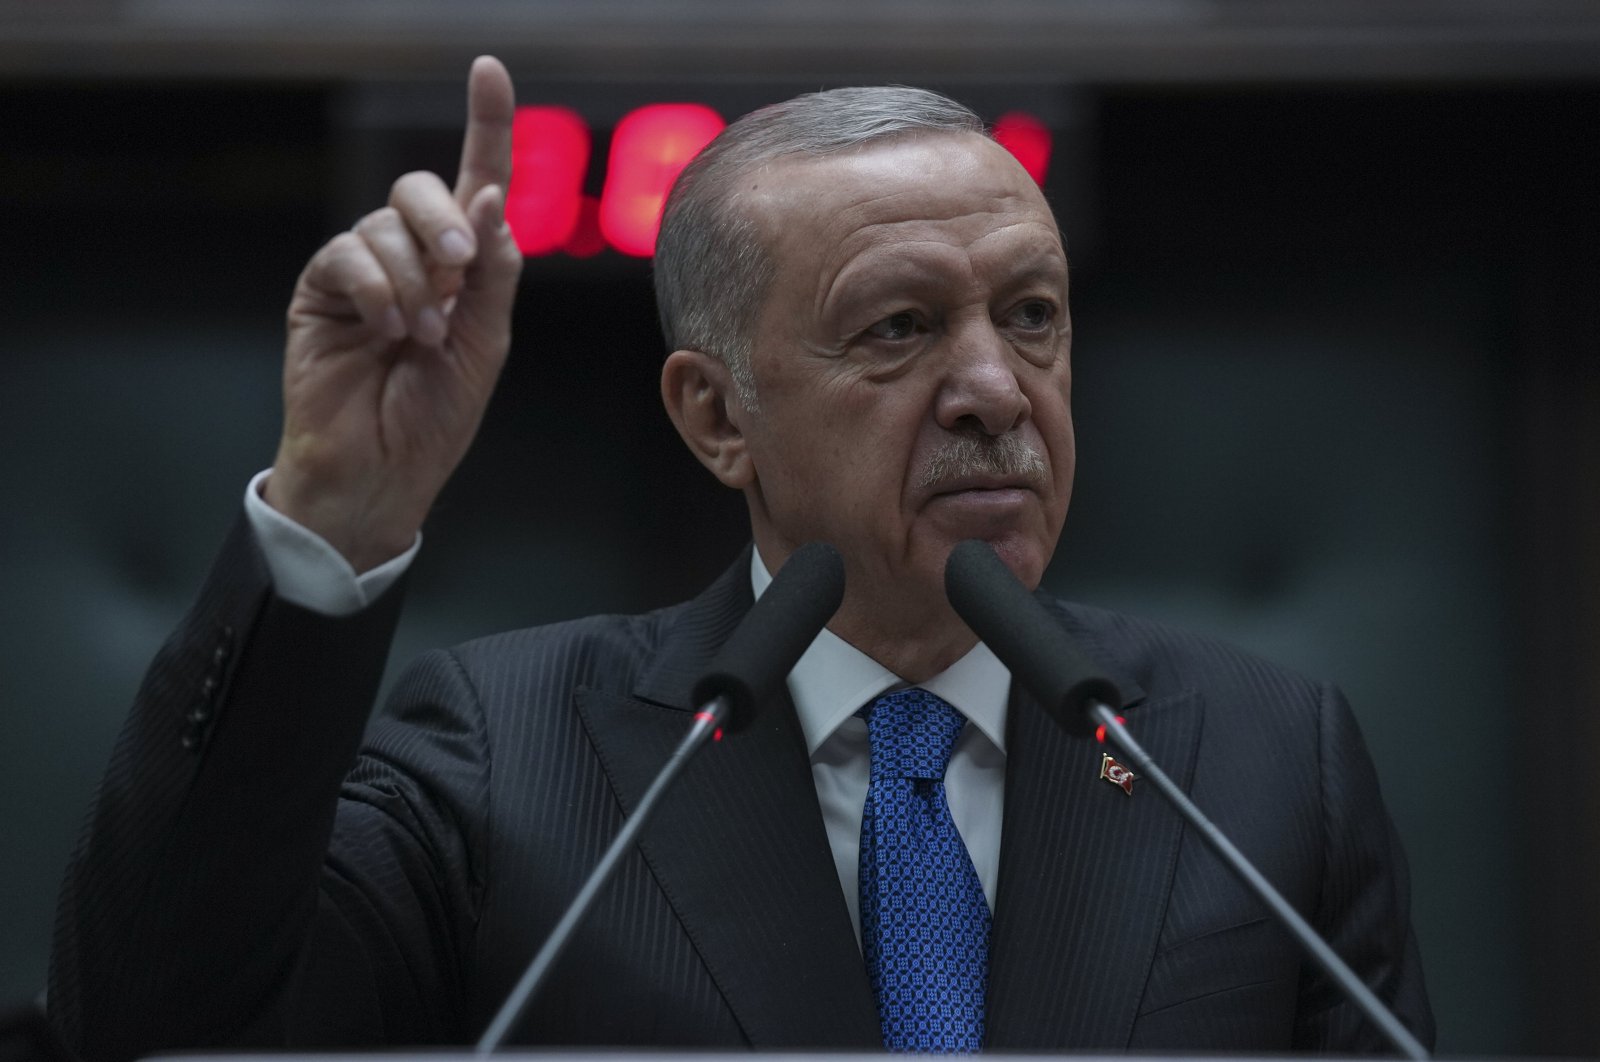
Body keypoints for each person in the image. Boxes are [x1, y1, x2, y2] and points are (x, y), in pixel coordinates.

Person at [49, 56, 1434, 1059]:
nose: (996, 389)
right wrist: (331, 517)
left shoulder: (1260, 759)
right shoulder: (506, 751)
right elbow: (155, 1019)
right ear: (718, 417)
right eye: (897, 327)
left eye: (1032, 315)